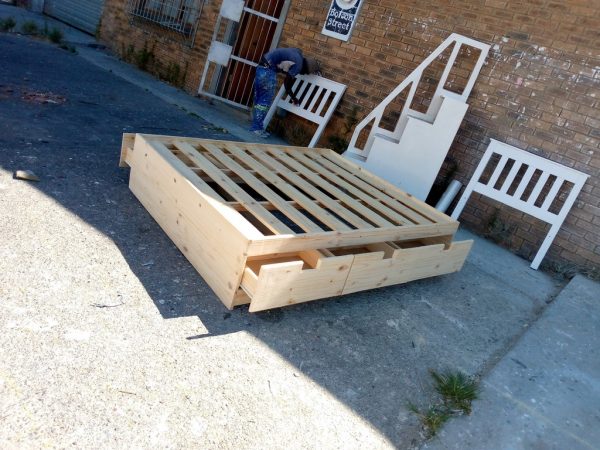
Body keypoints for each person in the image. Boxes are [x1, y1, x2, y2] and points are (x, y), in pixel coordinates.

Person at [250, 48, 321, 138]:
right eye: (305, 73)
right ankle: (257, 128)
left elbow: (292, 53)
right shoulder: (298, 65)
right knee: (265, 101)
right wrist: (294, 98)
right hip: (267, 71)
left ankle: (255, 125)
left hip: (261, 67)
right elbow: (286, 84)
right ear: (305, 68)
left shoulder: (298, 55)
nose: (302, 74)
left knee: (259, 98)